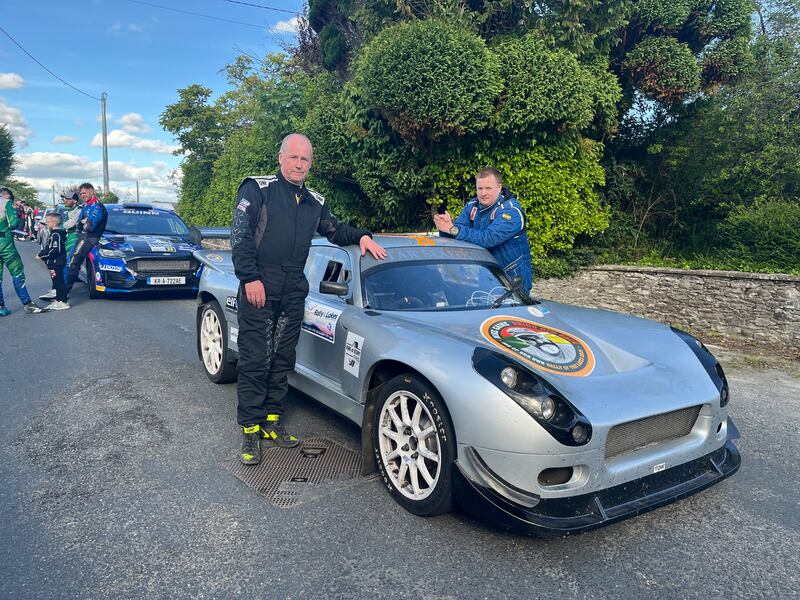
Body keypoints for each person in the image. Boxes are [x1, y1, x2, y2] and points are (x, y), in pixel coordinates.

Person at [231, 133, 387, 465]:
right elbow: (240, 236)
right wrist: (250, 278)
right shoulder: (257, 189)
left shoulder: (314, 201)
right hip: (259, 287)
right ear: (281, 157)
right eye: (294, 157)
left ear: (310, 164)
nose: (300, 164)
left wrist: (361, 236)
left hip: (292, 291)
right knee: (255, 358)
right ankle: (250, 429)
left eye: (305, 160)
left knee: (283, 357)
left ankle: (272, 421)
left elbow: (334, 229)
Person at [433, 167, 533, 296]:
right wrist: (445, 227)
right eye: (480, 188)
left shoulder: (511, 211)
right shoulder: (472, 206)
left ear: (499, 187)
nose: (483, 193)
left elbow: (487, 239)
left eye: (488, 188)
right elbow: (457, 237)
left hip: (512, 278)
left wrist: (453, 229)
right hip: (486, 275)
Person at [0, 187, 43, 315]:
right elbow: (13, 223)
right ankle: (27, 304)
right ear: (7, 196)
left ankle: (1, 307)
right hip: (5, 244)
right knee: (17, 271)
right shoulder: (5, 203)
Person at [64, 183, 107, 299]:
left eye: (84, 193)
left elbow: (90, 226)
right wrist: (83, 222)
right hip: (82, 236)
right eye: (81, 194)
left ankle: (64, 294)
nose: (83, 195)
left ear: (92, 191)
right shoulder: (86, 206)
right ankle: (61, 288)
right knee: (69, 261)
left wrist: (85, 222)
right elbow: (79, 224)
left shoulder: (97, 207)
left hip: (91, 237)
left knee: (73, 263)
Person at [40, 191, 81, 301]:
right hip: (68, 239)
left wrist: (58, 224)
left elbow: (69, 224)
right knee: (61, 265)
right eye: (64, 199)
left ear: (75, 201)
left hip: (75, 240)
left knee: (67, 265)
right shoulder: (68, 211)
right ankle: (58, 289)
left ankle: (62, 292)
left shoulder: (79, 211)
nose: (65, 201)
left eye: (68, 199)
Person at [36, 212, 69, 311]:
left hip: (56, 263)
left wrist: (42, 255)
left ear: (54, 223)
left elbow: (55, 249)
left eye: (47, 222)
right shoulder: (54, 233)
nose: (46, 224)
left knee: (59, 282)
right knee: (56, 282)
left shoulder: (56, 234)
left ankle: (63, 301)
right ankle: (58, 300)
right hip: (53, 263)